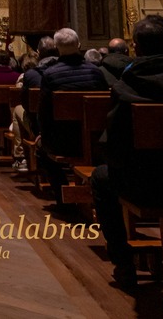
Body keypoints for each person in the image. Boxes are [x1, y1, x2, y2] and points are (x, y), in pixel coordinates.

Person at [91, 15, 163, 290]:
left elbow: (114, 148)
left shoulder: (126, 87)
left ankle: (123, 263)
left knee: (100, 178)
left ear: (137, 48)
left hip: (144, 185)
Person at [38, 28, 107, 205]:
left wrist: (44, 137)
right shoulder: (96, 72)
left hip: (63, 141)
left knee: (41, 151)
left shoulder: (50, 74)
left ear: (57, 48)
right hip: (95, 140)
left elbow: (44, 112)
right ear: (79, 45)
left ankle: (62, 197)